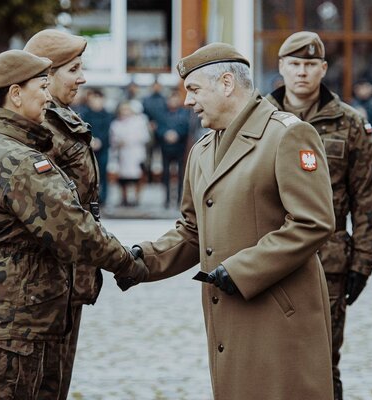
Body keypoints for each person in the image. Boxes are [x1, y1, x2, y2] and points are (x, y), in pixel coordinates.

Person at [127, 43, 336, 400]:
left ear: (226, 83)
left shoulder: (287, 134)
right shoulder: (203, 149)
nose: (189, 102)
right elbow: (192, 231)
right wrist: (139, 259)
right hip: (230, 316)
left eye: (194, 90)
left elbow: (313, 221)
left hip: (277, 314)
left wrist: (241, 269)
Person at [0, 49, 148, 400]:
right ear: (15, 94)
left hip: (5, 311)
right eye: (42, 87)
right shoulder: (20, 161)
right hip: (14, 317)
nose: (47, 96)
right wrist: (129, 264)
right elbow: (75, 230)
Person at [265, 31, 372, 400]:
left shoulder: (350, 123)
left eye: (310, 65)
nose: (302, 72)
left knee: (322, 362)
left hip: (328, 264)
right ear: (282, 67)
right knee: (269, 362)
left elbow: (367, 197)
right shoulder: (258, 120)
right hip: (265, 260)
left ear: (323, 69)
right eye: (295, 64)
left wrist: (362, 262)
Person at [23, 28, 108, 399]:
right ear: (47, 76)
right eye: (73, 69)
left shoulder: (62, 118)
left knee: (54, 387)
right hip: (42, 286)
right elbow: (54, 216)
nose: (83, 77)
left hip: (68, 281)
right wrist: (121, 260)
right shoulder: (38, 127)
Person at [110, 100, 150, 207]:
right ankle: (124, 198)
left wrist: (130, 140)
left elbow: (145, 137)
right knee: (123, 178)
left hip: (136, 153)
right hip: (123, 154)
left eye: (127, 110)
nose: (125, 112)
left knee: (137, 177)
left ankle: (136, 199)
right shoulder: (116, 124)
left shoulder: (139, 122)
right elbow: (113, 138)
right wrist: (119, 142)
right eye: (123, 110)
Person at [80, 88, 114, 207]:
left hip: (103, 148)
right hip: (89, 148)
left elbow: (108, 130)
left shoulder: (107, 114)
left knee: (103, 173)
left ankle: (104, 198)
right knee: (89, 173)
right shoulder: (85, 113)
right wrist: (92, 140)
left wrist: (99, 141)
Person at [157, 90, 190, 208]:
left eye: (176, 99)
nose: (173, 101)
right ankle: (166, 200)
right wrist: (165, 134)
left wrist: (177, 134)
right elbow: (158, 127)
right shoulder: (162, 113)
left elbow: (187, 127)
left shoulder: (185, 113)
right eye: (171, 99)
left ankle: (179, 200)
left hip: (180, 147)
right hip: (166, 148)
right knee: (166, 175)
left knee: (181, 175)